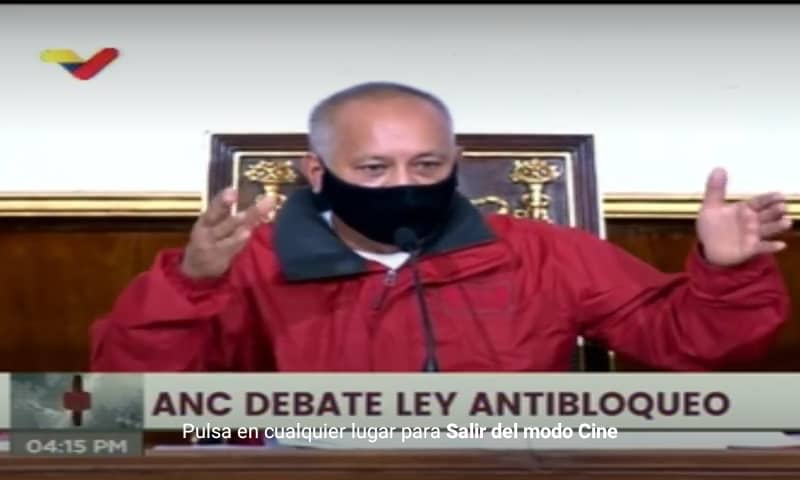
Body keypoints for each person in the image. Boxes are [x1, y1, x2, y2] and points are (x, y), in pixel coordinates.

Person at [90, 82, 792, 373]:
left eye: (426, 164)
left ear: (456, 163)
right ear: (316, 171)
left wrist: (726, 273)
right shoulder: (250, 262)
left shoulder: (543, 254)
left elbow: (686, 343)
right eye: (373, 168)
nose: (404, 185)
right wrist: (192, 285)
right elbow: (127, 393)